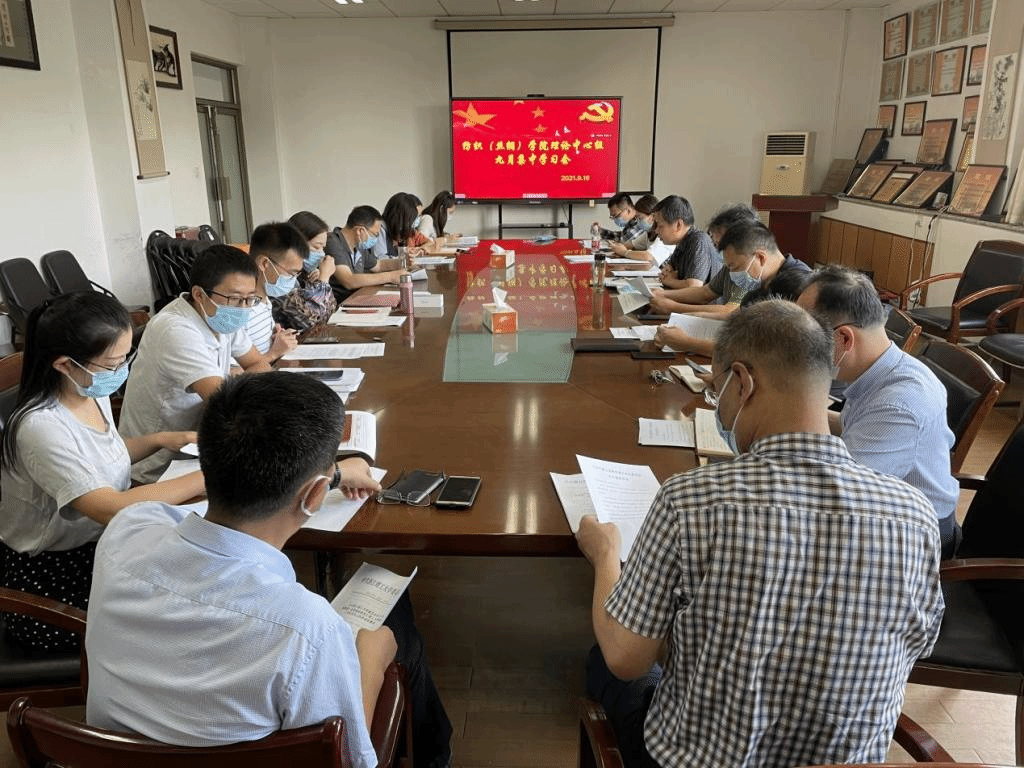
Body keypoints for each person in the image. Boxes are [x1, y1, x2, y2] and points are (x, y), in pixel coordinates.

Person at [578, 299, 943, 768]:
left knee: (605, 662)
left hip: (703, 760)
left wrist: (606, 553)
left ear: (742, 382)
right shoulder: (914, 514)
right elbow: (916, 644)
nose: (720, 406)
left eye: (717, 391)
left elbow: (626, 659)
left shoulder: (690, 499)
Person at [86, 372, 452, 768]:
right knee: (394, 626)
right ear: (315, 494)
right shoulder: (306, 628)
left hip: (115, 756)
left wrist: (327, 476)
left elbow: (157, 511)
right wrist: (373, 661)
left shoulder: (126, 533)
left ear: (206, 462)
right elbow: (349, 760)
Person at [0, 293, 204, 652]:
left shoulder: (89, 390)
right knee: (180, 624)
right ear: (65, 365)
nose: (121, 370)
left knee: (198, 581)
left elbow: (99, 459)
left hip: (103, 547)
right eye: (113, 363)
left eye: (125, 357)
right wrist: (210, 474)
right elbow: (109, 508)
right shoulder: (41, 427)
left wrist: (162, 439)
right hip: (53, 583)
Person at [797, 265, 961, 558]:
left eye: (805, 340)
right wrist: (790, 410)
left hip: (918, 537)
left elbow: (835, 494)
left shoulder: (899, 404)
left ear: (844, 339)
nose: (802, 352)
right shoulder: (882, 370)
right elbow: (849, 425)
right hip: (882, 506)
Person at [119, 244, 272, 484]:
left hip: (199, 446)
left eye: (250, 299)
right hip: (158, 469)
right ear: (199, 294)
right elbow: (225, 402)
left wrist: (233, 383)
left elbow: (259, 364)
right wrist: (232, 386)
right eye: (235, 298)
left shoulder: (222, 316)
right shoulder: (175, 328)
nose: (243, 308)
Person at [653, 222, 811, 356]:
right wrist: (690, 319)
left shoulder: (798, 286)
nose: (732, 275)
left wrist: (687, 343)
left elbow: (756, 351)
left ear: (760, 258)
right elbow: (737, 316)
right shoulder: (762, 279)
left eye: (735, 267)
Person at [324, 205, 410, 303]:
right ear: (360, 231)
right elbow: (348, 280)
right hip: (340, 304)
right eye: (375, 235)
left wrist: (403, 262)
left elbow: (378, 265)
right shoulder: (333, 242)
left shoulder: (358, 244)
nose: (375, 239)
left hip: (358, 298)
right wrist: (390, 277)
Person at [245, 222, 303, 360]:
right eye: (291, 273)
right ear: (264, 264)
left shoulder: (264, 300)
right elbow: (232, 371)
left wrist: (278, 340)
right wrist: (273, 354)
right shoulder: (242, 310)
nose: (293, 280)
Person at [276, 210, 339, 330]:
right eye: (316, 247)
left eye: (323, 248)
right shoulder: (279, 279)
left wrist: (317, 285)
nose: (321, 253)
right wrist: (324, 281)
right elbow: (311, 322)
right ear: (295, 244)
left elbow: (330, 311)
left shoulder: (303, 275)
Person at [652, 195, 721, 289]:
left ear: (678, 225)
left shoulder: (699, 241)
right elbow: (668, 270)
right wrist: (669, 274)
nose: (656, 231)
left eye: (660, 226)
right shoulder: (682, 242)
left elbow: (693, 286)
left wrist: (668, 281)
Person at [611, 194, 668, 265]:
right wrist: (617, 247)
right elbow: (631, 244)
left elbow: (648, 256)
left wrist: (624, 252)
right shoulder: (649, 233)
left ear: (652, 217)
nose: (638, 222)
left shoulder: (664, 234)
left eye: (640, 218)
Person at [382, 192, 431, 256]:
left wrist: (420, 249)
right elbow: (381, 258)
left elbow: (430, 242)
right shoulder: (381, 231)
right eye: (415, 216)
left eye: (419, 216)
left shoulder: (411, 232)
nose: (418, 219)